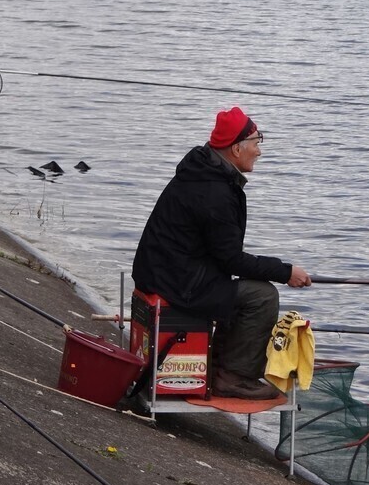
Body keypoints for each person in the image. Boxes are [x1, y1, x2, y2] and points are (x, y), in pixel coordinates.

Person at [132, 106, 311, 400]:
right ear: (237, 148)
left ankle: (217, 367)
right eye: (257, 142)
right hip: (178, 281)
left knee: (237, 288)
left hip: (168, 272)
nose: (259, 151)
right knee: (262, 296)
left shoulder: (204, 172)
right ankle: (233, 377)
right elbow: (230, 258)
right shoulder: (215, 191)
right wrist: (285, 272)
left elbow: (224, 254)